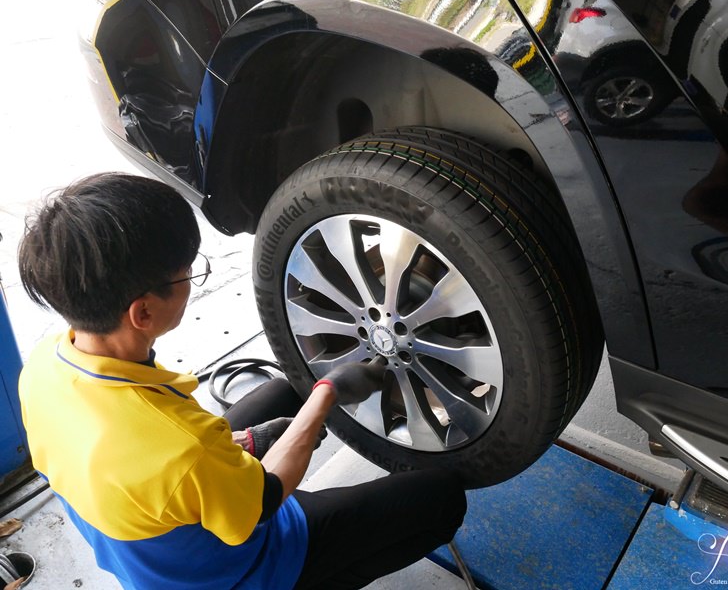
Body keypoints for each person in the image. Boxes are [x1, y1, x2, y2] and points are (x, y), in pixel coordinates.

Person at [17, 173, 467, 589]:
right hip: (234, 570)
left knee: (286, 391)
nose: (191, 279)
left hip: (155, 540)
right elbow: (266, 499)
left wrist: (244, 443)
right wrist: (327, 393)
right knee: (441, 498)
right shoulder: (179, 450)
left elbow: (155, 460)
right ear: (144, 312)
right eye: (186, 272)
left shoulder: (44, 367)